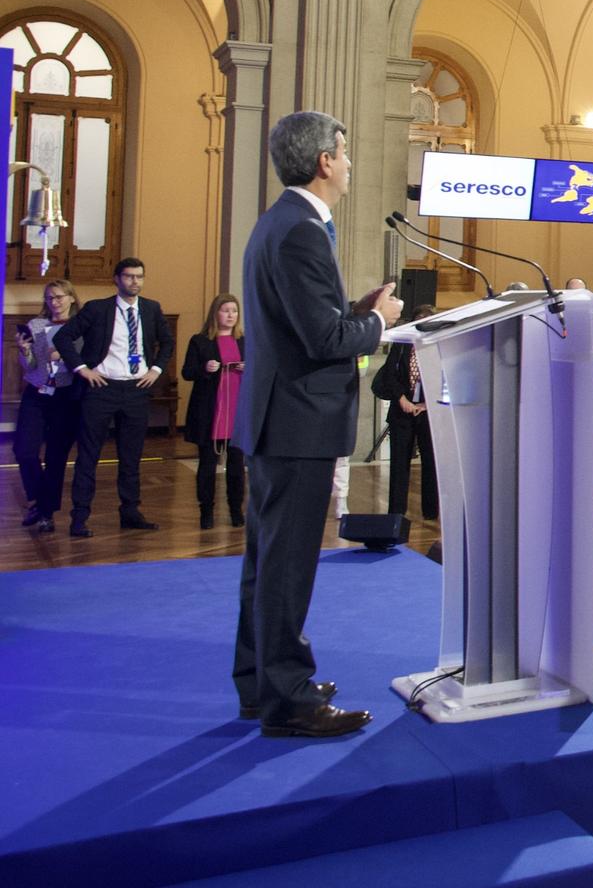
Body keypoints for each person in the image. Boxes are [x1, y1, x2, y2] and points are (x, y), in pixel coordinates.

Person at [232, 110, 401, 738]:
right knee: (287, 565)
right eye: (345, 150)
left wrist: (356, 311)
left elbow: (307, 322)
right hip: (297, 422)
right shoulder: (302, 230)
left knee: (267, 560)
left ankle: (260, 683)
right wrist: (379, 321)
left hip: (279, 418)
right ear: (324, 161)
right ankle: (289, 699)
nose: (351, 161)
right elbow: (325, 337)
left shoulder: (280, 223)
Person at [55, 257, 173, 536]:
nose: (135, 282)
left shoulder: (151, 308)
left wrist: (156, 369)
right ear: (117, 279)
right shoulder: (98, 309)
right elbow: (63, 337)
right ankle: (80, 517)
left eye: (140, 277)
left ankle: (130, 511)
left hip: (136, 390)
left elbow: (167, 341)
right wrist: (83, 369)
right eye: (130, 276)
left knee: (131, 457)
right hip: (101, 389)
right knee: (89, 455)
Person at [14, 278, 80, 534]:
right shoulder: (37, 325)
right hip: (37, 392)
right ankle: (37, 500)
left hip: (65, 396)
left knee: (55, 457)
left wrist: (65, 354)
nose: (54, 303)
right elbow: (30, 365)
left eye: (59, 297)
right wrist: (24, 351)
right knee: (24, 450)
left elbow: (87, 360)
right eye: (50, 298)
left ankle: (46, 513)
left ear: (71, 298)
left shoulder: (80, 326)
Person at [181, 293, 248, 530]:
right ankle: (206, 511)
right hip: (210, 411)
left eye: (234, 311)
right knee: (208, 464)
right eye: (226, 310)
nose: (230, 315)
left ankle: (236, 510)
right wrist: (205, 368)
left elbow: (258, 372)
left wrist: (247, 367)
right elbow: (187, 372)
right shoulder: (200, 341)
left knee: (237, 465)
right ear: (215, 313)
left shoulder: (244, 341)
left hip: (237, 412)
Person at [373, 306, 441, 524]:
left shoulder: (440, 346)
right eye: (419, 319)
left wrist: (427, 403)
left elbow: (445, 377)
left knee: (431, 462)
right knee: (399, 462)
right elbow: (390, 374)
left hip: (428, 411)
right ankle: (396, 511)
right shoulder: (402, 345)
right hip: (401, 410)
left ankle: (431, 511)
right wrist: (402, 399)